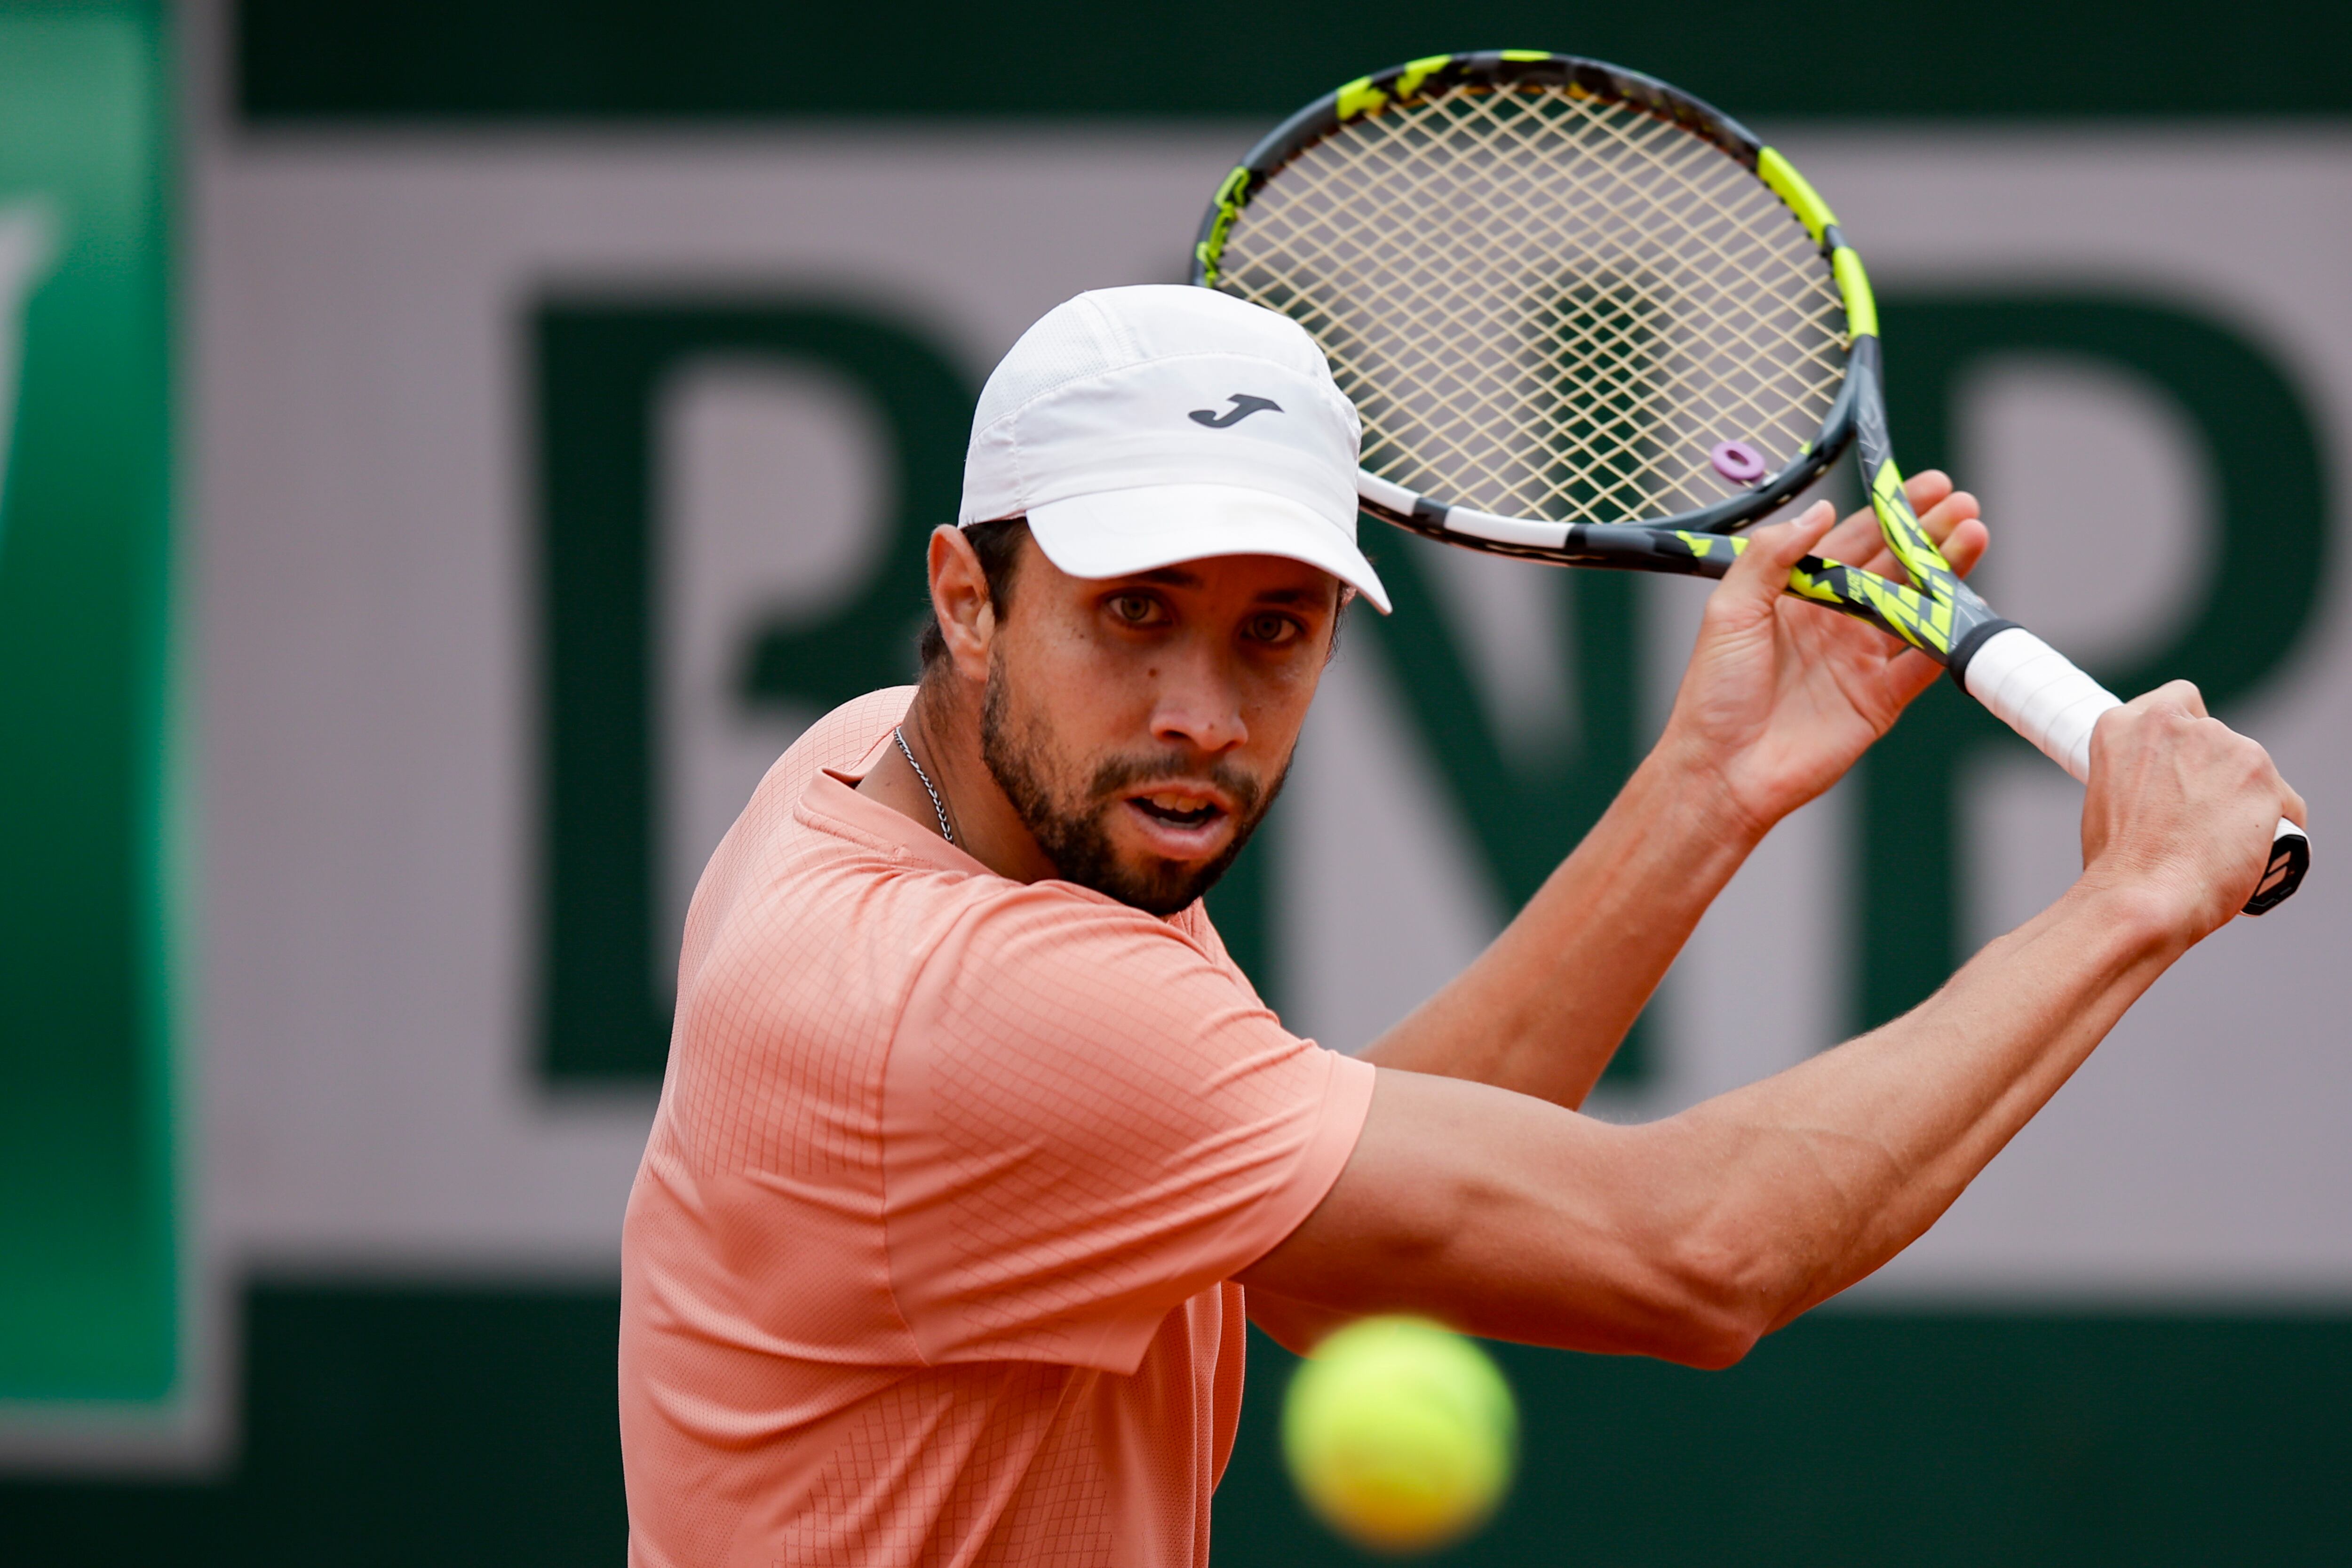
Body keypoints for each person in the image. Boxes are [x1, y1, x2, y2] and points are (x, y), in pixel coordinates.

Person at [616, 285, 2302, 1567]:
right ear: (967, 600)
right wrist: (2135, 898)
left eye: (1274, 630)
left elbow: (1319, 1278)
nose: (1201, 709)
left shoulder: (894, 769)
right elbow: (1704, 1257)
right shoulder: (970, 1002)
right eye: (1135, 613)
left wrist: (1703, 792)